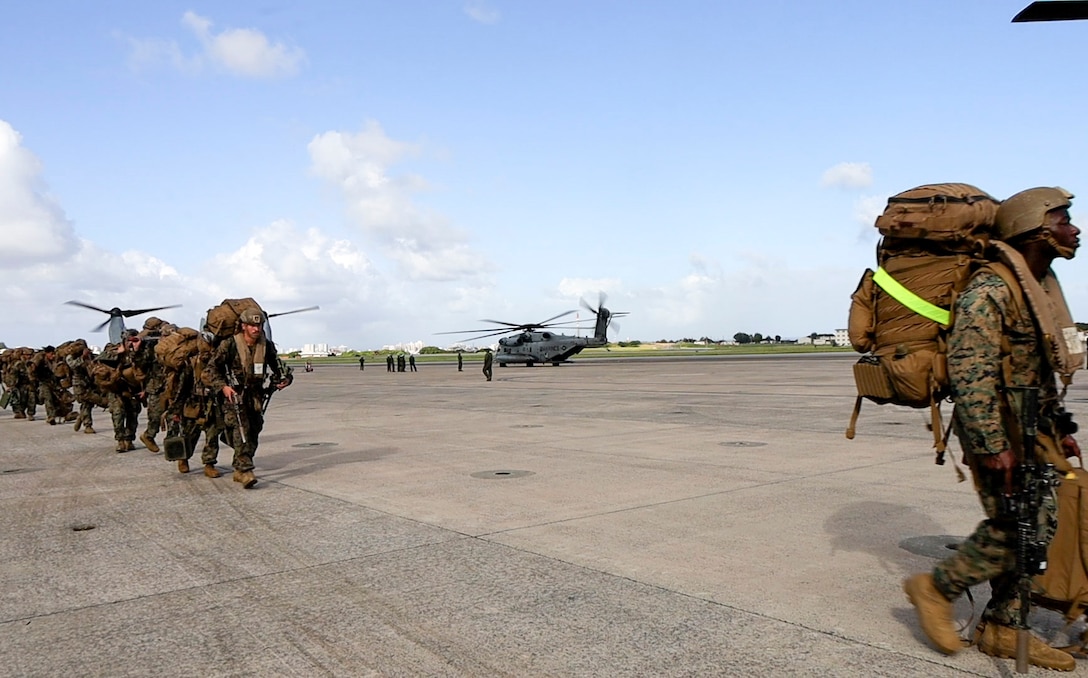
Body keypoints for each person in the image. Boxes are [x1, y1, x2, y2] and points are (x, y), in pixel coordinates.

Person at [903, 187, 1083, 671]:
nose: (1075, 228)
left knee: (1035, 524)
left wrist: (1058, 427)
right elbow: (970, 368)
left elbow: (1035, 366)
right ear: (1035, 228)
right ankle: (937, 589)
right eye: (1064, 219)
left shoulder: (1038, 288)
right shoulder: (991, 289)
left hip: (1032, 425)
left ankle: (1004, 627)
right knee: (1017, 523)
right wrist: (989, 444)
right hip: (998, 427)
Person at [205, 307, 291, 489]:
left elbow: (279, 367)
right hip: (234, 397)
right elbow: (211, 370)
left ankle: (238, 468)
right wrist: (223, 387)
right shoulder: (229, 345)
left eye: (259, 325)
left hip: (256, 397)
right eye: (252, 325)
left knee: (253, 432)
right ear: (244, 326)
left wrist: (284, 379)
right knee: (242, 432)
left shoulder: (265, 345)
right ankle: (245, 470)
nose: (256, 329)